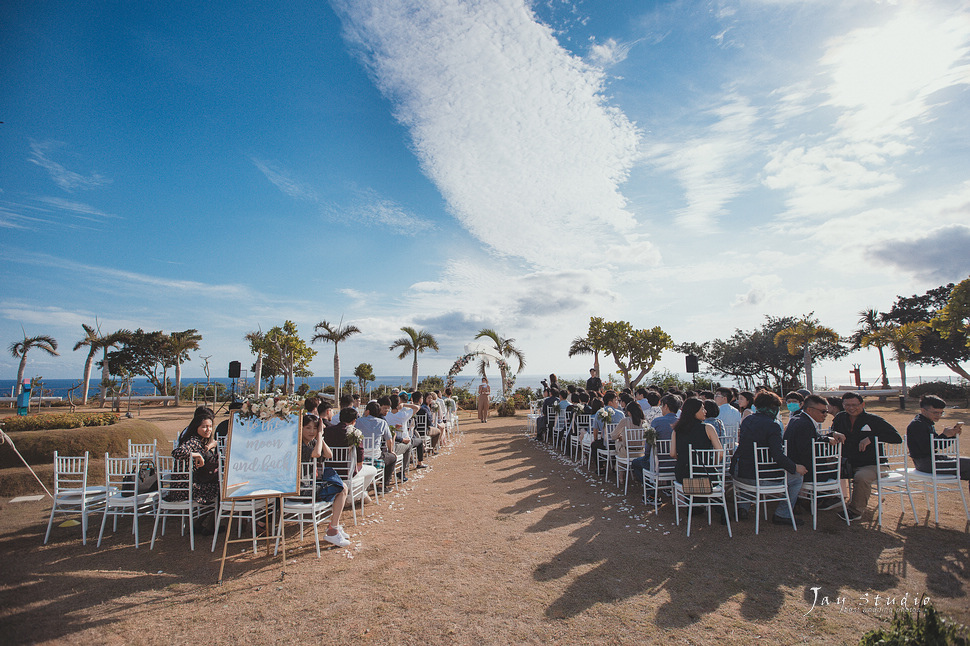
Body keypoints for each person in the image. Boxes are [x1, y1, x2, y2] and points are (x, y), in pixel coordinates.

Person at [730, 391, 807, 526]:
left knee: (751, 464)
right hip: (757, 478)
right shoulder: (773, 425)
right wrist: (795, 467)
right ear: (773, 407)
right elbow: (777, 455)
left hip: (739, 473)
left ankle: (743, 508)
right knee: (796, 478)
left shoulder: (747, 420)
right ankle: (782, 514)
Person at [831, 391, 902, 521]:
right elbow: (831, 431)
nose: (851, 408)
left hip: (873, 464)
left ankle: (855, 511)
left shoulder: (874, 420)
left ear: (862, 404)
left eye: (854, 404)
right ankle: (825, 501)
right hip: (847, 462)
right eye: (847, 405)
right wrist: (834, 433)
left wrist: (872, 438)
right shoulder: (840, 418)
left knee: (862, 476)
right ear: (843, 405)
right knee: (822, 469)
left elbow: (896, 438)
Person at [783, 394, 846, 511]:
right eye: (822, 412)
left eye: (826, 412)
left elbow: (813, 439)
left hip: (795, 465)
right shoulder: (805, 424)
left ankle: (814, 499)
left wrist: (831, 435)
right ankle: (823, 500)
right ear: (810, 410)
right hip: (804, 470)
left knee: (836, 465)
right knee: (841, 469)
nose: (825, 415)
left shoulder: (798, 419)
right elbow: (807, 451)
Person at [299, 414, 350, 547]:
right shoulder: (298, 444)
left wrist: (320, 437)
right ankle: (333, 530)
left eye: (315, 428)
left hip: (311, 485)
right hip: (302, 489)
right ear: (300, 428)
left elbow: (328, 454)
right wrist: (320, 434)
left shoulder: (312, 442)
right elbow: (315, 454)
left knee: (342, 487)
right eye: (308, 428)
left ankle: (334, 526)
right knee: (341, 488)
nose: (312, 431)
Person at [670, 398, 725, 518]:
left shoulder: (677, 430)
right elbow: (720, 453)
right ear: (693, 411)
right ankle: (718, 507)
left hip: (684, 476)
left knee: (693, 476)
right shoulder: (708, 428)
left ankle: (695, 504)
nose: (705, 411)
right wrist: (713, 464)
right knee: (708, 478)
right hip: (705, 475)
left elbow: (673, 454)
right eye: (702, 409)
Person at [170, 406, 220, 533]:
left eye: (210, 426)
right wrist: (196, 455)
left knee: (217, 486)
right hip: (186, 489)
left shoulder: (194, 439)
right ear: (196, 426)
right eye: (204, 426)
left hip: (182, 487)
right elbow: (177, 452)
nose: (208, 429)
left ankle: (201, 522)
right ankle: (212, 526)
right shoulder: (192, 440)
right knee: (221, 489)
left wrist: (208, 447)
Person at [907, 394, 969, 492]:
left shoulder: (927, 422)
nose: (939, 416)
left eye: (941, 413)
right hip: (925, 463)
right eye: (935, 413)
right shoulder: (917, 425)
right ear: (923, 410)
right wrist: (944, 435)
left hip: (932, 460)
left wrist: (951, 435)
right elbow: (927, 448)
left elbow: (938, 445)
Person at [324, 407, 379, 503]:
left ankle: (359, 494)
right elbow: (360, 453)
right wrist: (358, 465)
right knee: (373, 470)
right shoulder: (354, 432)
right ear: (354, 420)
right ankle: (354, 497)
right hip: (347, 472)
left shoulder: (327, 431)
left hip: (328, 470)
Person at [355, 401, 397, 492]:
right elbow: (389, 440)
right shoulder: (382, 423)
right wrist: (391, 451)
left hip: (359, 455)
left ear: (368, 411)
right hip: (375, 455)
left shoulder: (358, 421)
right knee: (392, 457)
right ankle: (383, 485)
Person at [610, 401, 647, 486]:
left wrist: (620, 437)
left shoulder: (625, 421)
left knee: (618, 445)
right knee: (621, 445)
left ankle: (621, 474)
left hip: (627, 452)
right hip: (641, 452)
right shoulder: (644, 422)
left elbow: (613, 436)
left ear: (629, 412)